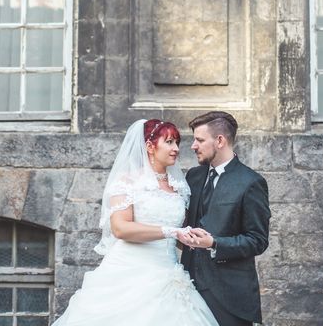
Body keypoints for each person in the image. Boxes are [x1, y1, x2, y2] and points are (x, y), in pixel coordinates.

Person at [51, 119, 219, 326]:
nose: (176, 149)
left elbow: (178, 236)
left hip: (170, 273)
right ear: (150, 146)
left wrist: (193, 238)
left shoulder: (181, 188)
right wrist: (171, 232)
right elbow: (121, 228)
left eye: (177, 143)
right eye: (169, 142)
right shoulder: (127, 182)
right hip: (130, 273)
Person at [181, 111, 271, 326]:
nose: (194, 146)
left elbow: (257, 240)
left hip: (229, 295)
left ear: (220, 140)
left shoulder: (251, 182)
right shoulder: (193, 176)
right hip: (187, 287)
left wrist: (213, 243)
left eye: (200, 140)